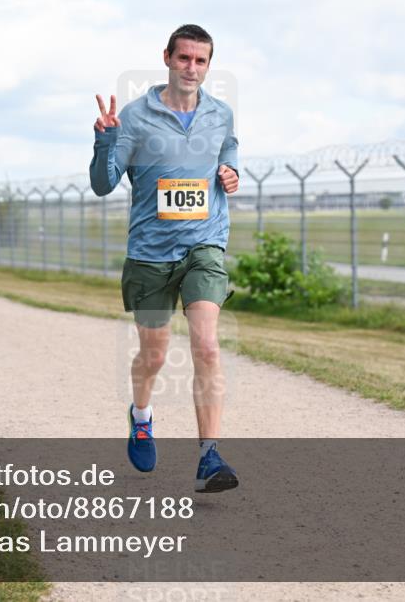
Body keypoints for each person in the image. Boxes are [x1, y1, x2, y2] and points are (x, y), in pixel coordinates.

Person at [90, 24, 241, 493]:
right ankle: (141, 416)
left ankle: (209, 456)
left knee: (207, 345)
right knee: (154, 356)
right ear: (167, 58)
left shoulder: (220, 114)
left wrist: (231, 171)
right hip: (151, 254)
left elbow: (229, 148)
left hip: (204, 245)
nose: (191, 68)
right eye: (184, 58)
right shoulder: (135, 117)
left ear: (209, 65)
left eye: (201, 60)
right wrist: (105, 141)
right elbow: (103, 183)